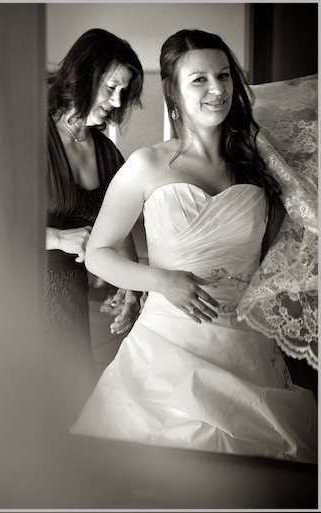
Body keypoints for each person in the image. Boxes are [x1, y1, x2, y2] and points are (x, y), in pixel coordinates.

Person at [70, 29, 317, 463]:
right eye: (199, 79)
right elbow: (99, 252)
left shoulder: (259, 166)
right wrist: (160, 280)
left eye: (223, 76)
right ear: (174, 91)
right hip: (166, 347)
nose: (217, 89)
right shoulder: (146, 164)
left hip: (247, 348)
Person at [45, 29, 143, 414]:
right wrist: (56, 237)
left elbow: (119, 231)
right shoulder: (27, 132)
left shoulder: (106, 153)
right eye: (111, 87)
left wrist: (132, 286)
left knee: (71, 398)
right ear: (83, 74)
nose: (116, 101)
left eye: (125, 91)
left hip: (69, 293)